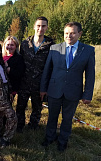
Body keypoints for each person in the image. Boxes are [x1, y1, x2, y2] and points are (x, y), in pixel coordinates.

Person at [40, 22, 95, 152]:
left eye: (72, 33)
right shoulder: (54, 48)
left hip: (73, 91)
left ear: (79, 34)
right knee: (52, 116)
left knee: (67, 118)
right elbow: (47, 70)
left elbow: (90, 75)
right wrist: (43, 88)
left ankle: (63, 141)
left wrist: (87, 94)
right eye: (66, 33)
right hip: (54, 90)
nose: (69, 36)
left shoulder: (88, 50)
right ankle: (49, 137)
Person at [16, 16, 55, 133]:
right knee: (20, 106)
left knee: (37, 108)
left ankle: (33, 127)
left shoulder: (51, 45)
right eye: (38, 25)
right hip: (24, 81)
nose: (40, 28)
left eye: (43, 26)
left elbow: (52, 67)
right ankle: (19, 126)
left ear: (47, 28)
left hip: (40, 83)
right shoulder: (24, 44)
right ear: (34, 27)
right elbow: (19, 62)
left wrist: (46, 86)